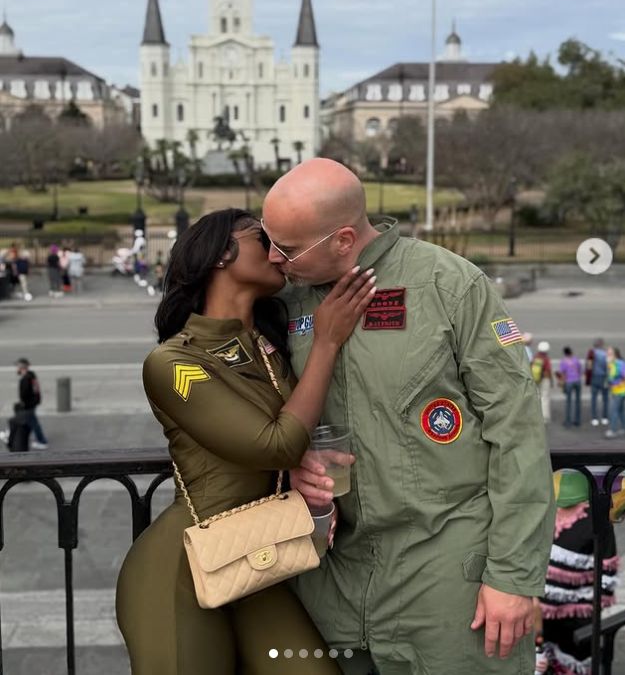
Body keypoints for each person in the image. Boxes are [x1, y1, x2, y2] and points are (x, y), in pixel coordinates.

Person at [261, 159, 556, 675]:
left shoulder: (451, 285)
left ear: (344, 238)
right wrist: (291, 456)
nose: (272, 258)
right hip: (333, 580)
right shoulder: (282, 302)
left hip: (449, 578)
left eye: (286, 248)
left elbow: (518, 434)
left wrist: (513, 576)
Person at [116, 209, 377, 675]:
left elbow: (290, 441)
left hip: (260, 559)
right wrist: (326, 343)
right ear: (221, 254)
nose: (278, 253)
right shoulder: (173, 362)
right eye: (263, 239)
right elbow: (274, 445)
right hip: (182, 567)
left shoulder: (266, 345)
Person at [539, 470, 620, 670]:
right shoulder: (544, 514)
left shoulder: (596, 521)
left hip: (577, 617)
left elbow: (607, 572)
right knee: (540, 662)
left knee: (574, 662)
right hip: (539, 613)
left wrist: (591, 608)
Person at [14, 358, 48, 450]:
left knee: (33, 423)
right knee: (32, 422)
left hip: (29, 405)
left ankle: (42, 441)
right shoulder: (31, 375)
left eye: (17, 366)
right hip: (32, 403)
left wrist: (24, 404)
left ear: (22, 367)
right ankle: (40, 439)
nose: (16, 368)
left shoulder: (26, 378)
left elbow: (24, 394)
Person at [586, 339, 609, 427]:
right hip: (603, 377)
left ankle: (594, 418)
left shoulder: (592, 353)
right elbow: (608, 367)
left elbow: (588, 366)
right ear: (601, 345)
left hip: (594, 378)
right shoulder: (605, 354)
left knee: (594, 399)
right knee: (605, 399)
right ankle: (605, 417)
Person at [558, 347, 583, 428]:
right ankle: (577, 420)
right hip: (577, 381)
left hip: (569, 382)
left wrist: (562, 383)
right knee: (578, 401)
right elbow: (580, 371)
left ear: (564, 353)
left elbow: (562, 374)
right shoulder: (576, 360)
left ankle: (568, 421)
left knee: (568, 402)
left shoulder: (563, 362)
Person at [605, 347, 625, 439]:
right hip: (615, 391)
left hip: (620, 391)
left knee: (614, 410)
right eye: (607, 353)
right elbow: (611, 376)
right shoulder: (612, 363)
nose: (607, 355)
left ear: (615, 354)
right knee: (620, 410)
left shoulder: (620, 363)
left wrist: (618, 384)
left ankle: (613, 430)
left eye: (609, 354)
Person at [532, 341, 554, 423]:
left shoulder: (535, 357)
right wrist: (551, 381)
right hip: (545, 379)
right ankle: (545, 417)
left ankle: (536, 416)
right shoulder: (546, 359)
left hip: (536, 379)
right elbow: (548, 371)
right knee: (545, 398)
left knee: (537, 397)